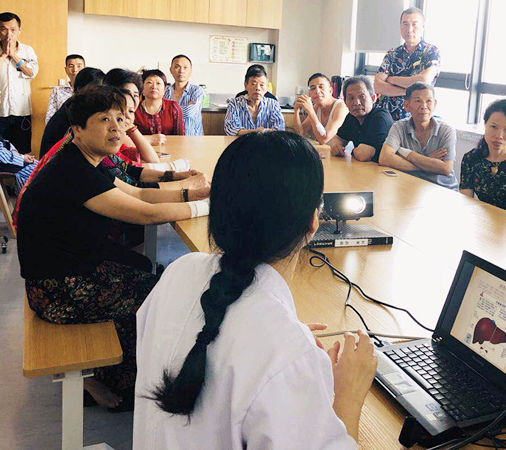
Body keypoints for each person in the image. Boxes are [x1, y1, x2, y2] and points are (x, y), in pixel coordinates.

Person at [133, 131, 377, 449]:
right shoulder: (285, 350)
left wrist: (282, 342)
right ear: (313, 222)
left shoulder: (179, 271)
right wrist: (348, 395)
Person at [17, 86, 211, 411]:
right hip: (59, 290)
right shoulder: (73, 171)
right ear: (77, 129)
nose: (116, 128)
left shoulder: (88, 160)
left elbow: (138, 194)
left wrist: (194, 195)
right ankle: (120, 381)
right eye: (104, 119)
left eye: (120, 119)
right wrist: (206, 207)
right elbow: (145, 213)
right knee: (160, 294)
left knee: (152, 273)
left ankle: (118, 370)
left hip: (72, 268)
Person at [460, 98, 506, 212]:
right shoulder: (470, 159)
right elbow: (466, 203)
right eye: (494, 127)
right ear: (485, 124)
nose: (499, 135)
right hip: (481, 218)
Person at [379, 83, 457, 189]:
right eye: (418, 101)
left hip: (443, 189)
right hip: (412, 188)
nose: (423, 106)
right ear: (407, 105)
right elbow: (384, 158)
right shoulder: (399, 127)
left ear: (434, 104)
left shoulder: (446, 130)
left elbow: (445, 168)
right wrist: (427, 161)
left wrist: (410, 155)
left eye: (428, 101)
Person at [0, 12, 39, 153]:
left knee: (22, 151)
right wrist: (3, 55)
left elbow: (32, 72)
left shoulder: (27, 50)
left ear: (19, 30)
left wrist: (13, 55)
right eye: (4, 29)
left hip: (21, 110)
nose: (9, 34)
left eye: (13, 30)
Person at [374, 8, 440, 121]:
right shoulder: (392, 54)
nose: (409, 29)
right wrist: (407, 92)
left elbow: (423, 81)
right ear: (400, 26)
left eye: (414, 24)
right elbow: (377, 86)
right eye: (405, 24)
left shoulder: (431, 52)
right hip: (387, 117)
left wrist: (391, 79)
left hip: (415, 118)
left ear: (423, 26)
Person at [39, 67, 105, 155]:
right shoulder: (77, 108)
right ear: (80, 89)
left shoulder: (75, 103)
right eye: (98, 89)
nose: (102, 94)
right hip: (57, 159)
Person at [330, 76, 393, 162]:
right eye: (351, 98)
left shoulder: (380, 117)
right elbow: (338, 138)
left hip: (386, 168)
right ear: (345, 102)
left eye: (362, 97)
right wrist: (336, 147)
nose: (357, 103)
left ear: (373, 98)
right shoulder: (351, 116)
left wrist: (352, 151)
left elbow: (364, 155)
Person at [105, 68, 160, 164]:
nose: (132, 100)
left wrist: (130, 126)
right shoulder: (108, 131)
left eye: (135, 95)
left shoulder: (125, 127)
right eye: (127, 93)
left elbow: (153, 160)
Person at [224, 64, 285, 136]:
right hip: (242, 142)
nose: (258, 88)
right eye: (253, 84)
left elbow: (280, 128)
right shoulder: (234, 104)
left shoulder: (273, 105)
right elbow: (230, 129)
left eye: (262, 85)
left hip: (266, 142)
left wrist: (262, 132)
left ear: (267, 87)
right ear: (245, 85)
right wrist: (255, 132)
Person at [293, 73, 348, 144]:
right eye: (313, 88)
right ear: (309, 94)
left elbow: (324, 139)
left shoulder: (341, 106)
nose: (317, 91)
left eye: (321, 87)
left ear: (330, 91)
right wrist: (296, 110)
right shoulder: (316, 107)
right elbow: (300, 133)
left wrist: (310, 111)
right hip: (325, 150)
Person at [134, 69, 185, 142]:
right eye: (149, 82)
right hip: (140, 148)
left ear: (164, 89)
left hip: (170, 148)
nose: (154, 87)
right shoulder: (134, 109)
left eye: (158, 83)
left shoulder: (173, 107)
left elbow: (180, 138)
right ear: (142, 88)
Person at [164, 55, 204, 136]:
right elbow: (158, 112)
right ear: (171, 70)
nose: (181, 71)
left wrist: (168, 111)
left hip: (192, 138)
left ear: (190, 71)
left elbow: (189, 112)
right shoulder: (165, 91)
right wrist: (183, 108)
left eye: (185, 67)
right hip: (169, 138)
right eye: (177, 67)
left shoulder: (197, 91)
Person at [45, 54, 85, 123]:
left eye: (79, 66)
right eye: (71, 66)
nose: (75, 69)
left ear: (85, 69)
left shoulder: (91, 89)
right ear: (66, 69)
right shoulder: (57, 91)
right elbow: (50, 118)